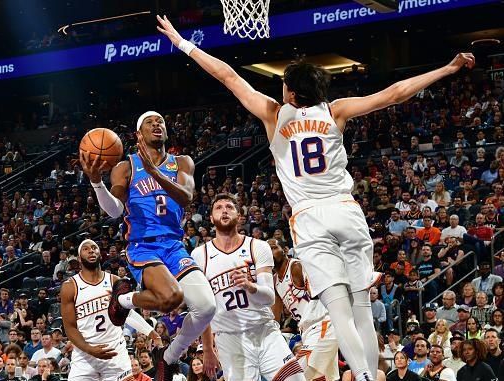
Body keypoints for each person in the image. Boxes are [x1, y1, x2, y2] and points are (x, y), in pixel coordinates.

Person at [156, 15, 476, 381]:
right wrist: (446, 69)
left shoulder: (274, 114)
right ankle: (373, 374)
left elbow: (227, 75)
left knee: (338, 312)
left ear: (290, 93)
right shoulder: (335, 110)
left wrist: (183, 43)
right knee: (361, 309)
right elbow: (394, 93)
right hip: (346, 211)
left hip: (309, 217)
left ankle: (366, 377)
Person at [79, 108, 216, 381]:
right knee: (172, 298)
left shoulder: (182, 162)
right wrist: (96, 183)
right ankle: (123, 300)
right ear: (138, 134)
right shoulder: (125, 166)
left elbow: (186, 196)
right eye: (150, 122)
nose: (157, 125)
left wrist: (154, 172)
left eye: (161, 122)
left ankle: (169, 356)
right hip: (143, 246)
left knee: (206, 307)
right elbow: (116, 210)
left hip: (174, 245)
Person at [191, 194, 305, 381]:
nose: (224, 210)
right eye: (218, 207)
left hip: (264, 331)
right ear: (211, 218)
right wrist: (208, 349)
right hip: (229, 339)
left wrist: (250, 286)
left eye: (229, 206)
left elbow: (269, 297)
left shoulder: (257, 247)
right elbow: (202, 308)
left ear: (238, 215)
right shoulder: (199, 255)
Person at [60, 239, 163, 381]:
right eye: (86, 249)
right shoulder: (70, 286)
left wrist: (153, 334)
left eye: (94, 247)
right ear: (79, 259)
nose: (91, 250)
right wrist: (90, 349)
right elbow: (70, 328)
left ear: (100, 255)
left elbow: (128, 314)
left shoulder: (115, 281)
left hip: (115, 352)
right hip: (85, 355)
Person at [271, 238, 339, 381]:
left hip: (323, 324)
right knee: (322, 378)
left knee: (295, 374)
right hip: (307, 331)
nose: (269, 252)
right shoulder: (275, 280)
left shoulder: (296, 266)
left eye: (273, 248)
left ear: (285, 250)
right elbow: (274, 319)